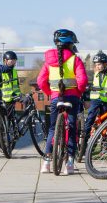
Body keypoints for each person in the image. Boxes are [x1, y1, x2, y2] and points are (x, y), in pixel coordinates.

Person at [37, 29, 88, 174]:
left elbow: (41, 81)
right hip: (72, 98)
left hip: (55, 98)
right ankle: (69, 164)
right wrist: (78, 92)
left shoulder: (48, 61)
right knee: (72, 129)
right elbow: (82, 81)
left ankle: (46, 163)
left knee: (53, 128)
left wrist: (51, 93)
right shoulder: (75, 59)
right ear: (71, 44)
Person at [78, 51, 107, 162]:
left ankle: (103, 145)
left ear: (105, 64)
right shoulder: (95, 75)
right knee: (90, 120)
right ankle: (84, 145)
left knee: (104, 124)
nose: (98, 66)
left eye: (100, 64)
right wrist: (86, 95)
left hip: (105, 102)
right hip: (95, 101)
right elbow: (88, 87)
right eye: (96, 65)